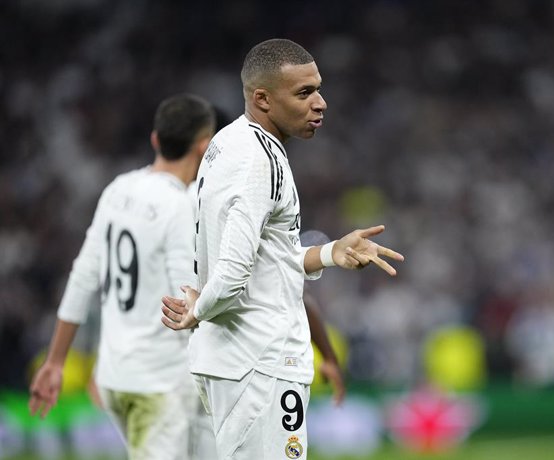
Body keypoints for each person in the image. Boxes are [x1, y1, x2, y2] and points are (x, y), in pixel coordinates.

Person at [161, 38, 404, 459]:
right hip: (261, 363)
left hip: (234, 360)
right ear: (263, 99)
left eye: (318, 88)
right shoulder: (258, 160)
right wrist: (196, 312)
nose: (321, 103)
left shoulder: (230, 142)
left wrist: (330, 253)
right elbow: (235, 272)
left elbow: (264, 259)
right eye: (304, 92)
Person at [29, 93, 216, 460]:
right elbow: (188, 300)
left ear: (155, 140)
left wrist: (55, 361)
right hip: (159, 379)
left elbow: (83, 277)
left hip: (114, 376)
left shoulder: (118, 190)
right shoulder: (180, 206)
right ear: (204, 147)